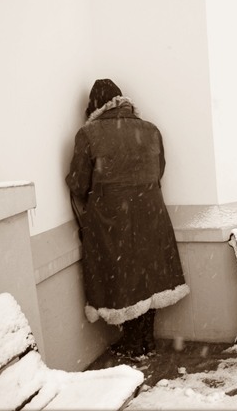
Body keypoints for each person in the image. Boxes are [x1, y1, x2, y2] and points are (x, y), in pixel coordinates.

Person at [66, 79, 190, 360]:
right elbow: (159, 170)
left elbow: (79, 183)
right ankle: (146, 340)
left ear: (94, 106)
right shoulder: (151, 130)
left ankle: (133, 343)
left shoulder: (88, 134)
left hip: (113, 219)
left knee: (123, 277)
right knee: (149, 275)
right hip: (152, 214)